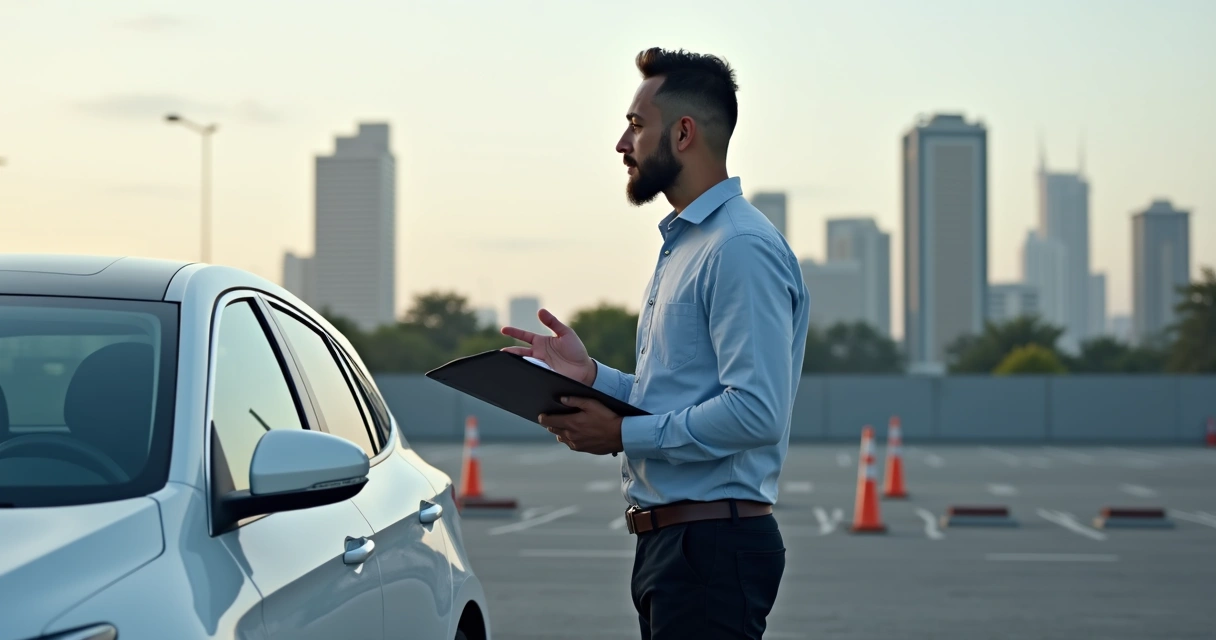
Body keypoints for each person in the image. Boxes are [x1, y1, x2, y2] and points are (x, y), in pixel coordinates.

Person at [501, 47, 811, 639]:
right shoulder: (690, 245)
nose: (622, 143)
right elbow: (675, 394)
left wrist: (622, 433)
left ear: (684, 133)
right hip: (678, 546)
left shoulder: (738, 248)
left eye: (637, 125)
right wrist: (593, 378)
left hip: (711, 546)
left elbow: (756, 411)